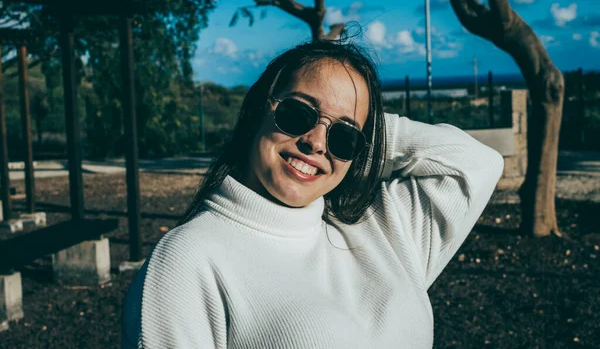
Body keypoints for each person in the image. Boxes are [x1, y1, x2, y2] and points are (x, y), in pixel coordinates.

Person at [121, 39, 504, 348]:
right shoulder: (188, 259)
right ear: (257, 110)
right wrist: (344, 122)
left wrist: (369, 135)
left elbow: (477, 163)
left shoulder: (382, 229)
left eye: (343, 136)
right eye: (298, 115)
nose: (317, 142)